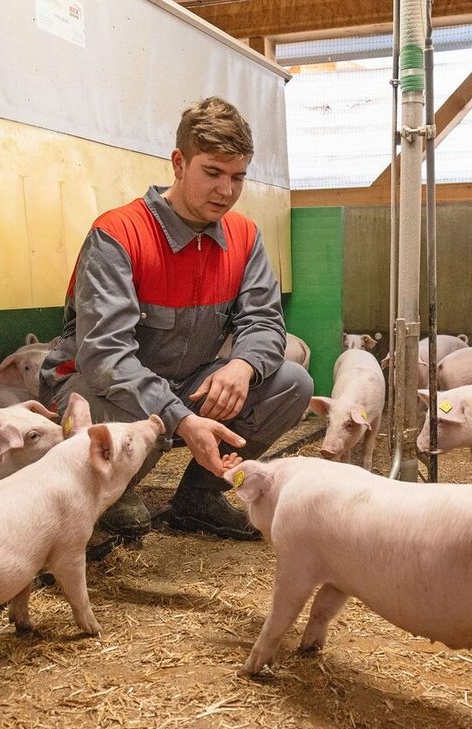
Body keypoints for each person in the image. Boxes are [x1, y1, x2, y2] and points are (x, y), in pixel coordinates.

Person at [38, 96, 312, 541]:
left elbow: (265, 322)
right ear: (179, 163)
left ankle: (200, 497)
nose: (226, 191)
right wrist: (180, 417)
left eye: (238, 177)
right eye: (213, 173)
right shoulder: (119, 234)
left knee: (292, 383)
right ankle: (113, 489)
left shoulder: (243, 237)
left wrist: (242, 366)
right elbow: (105, 357)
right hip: (99, 386)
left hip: (181, 382)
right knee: (103, 399)